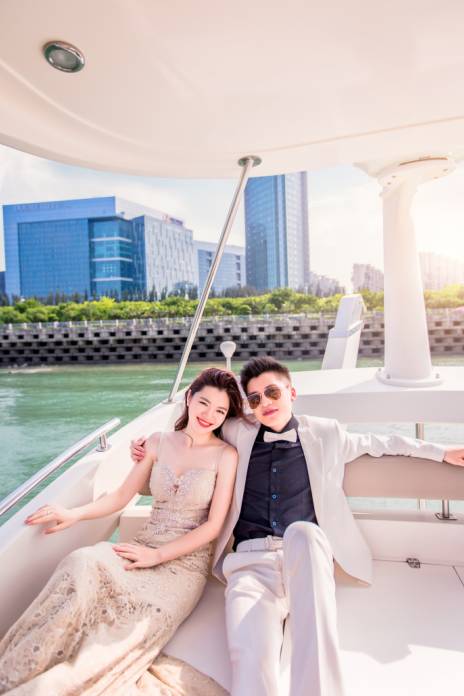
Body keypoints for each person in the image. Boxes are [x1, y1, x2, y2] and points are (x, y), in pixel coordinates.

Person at [131, 356, 464, 696]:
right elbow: (196, 429)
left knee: (304, 541)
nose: (265, 403)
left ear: (292, 392)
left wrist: (441, 452)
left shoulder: (326, 433)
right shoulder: (237, 433)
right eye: (255, 399)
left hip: (306, 555)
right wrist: (144, 446)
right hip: (249, 564)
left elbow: (383, 443)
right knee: (249, 655)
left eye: (273, 392)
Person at [0, 367, 241, 695]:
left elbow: (213, 526)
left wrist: (157, 556)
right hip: (142, 543)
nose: (209, 415)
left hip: (184, 566)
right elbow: (121, 496)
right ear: (189, 398)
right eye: (204, 403)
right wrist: (73, 513)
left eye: (220, 411)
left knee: (127, 628)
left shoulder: (225, 455)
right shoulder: (157, 442)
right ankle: (24, 666)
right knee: (83, 561)